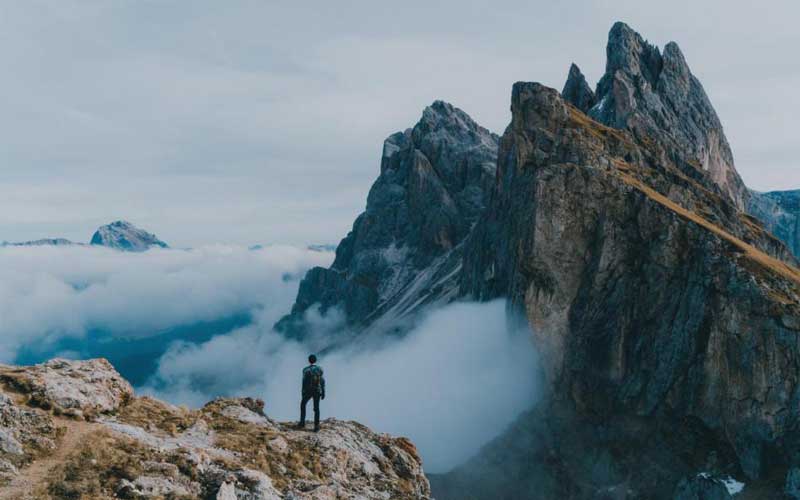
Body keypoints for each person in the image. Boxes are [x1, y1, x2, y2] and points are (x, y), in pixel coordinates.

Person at [298, 354, 325, 432]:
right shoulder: (320, 369)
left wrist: (302, 392)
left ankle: (302, 423)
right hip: (317, 390)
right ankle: (316, 426)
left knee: (303, 405)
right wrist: (323, 391)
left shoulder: (305, 370)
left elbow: (304, 382)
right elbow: (322, 380)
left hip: (308, 391)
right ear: (315, 360)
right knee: (316, 408)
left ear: (309, 360)